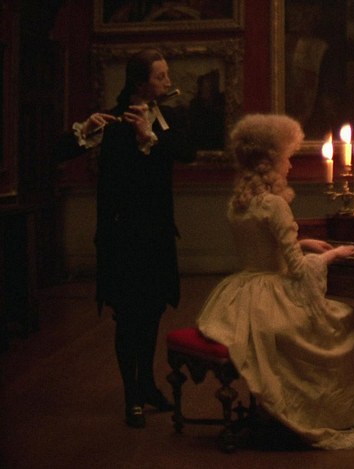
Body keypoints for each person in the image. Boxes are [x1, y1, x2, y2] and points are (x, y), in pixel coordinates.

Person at [196, 114, 354, 449]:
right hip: (272, 298)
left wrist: (304, 242)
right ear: (270, 162)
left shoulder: (238, 203)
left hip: (240, 294)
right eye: (287, 157)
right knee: (352, 324)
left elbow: (262, 244)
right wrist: (334, 255)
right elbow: (298, 271)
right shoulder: (275, 205)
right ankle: (332, 412)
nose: (291, 165)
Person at [56, 48, 196, 428]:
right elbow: (59, 152)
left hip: (156, 234)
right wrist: (85, 132)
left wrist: (151, 136)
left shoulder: (165, 117)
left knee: (151, 311)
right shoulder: (114, 121)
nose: (168, 82)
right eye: (160, 76)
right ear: (140, 83)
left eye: (166, 75)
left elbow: (188, 151)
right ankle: (131, 395)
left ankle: (147, 384)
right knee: (128, 316)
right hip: (123, 237)